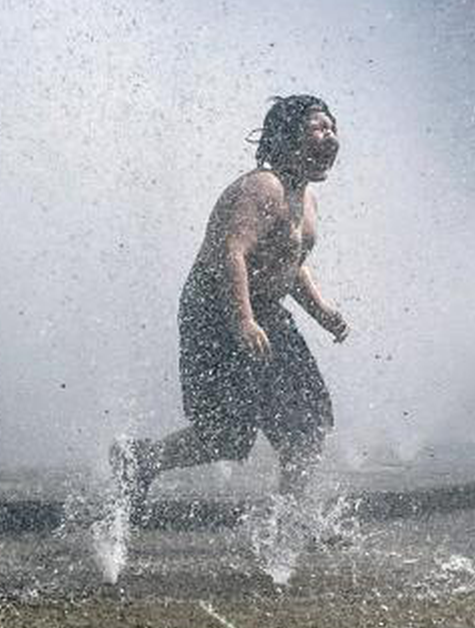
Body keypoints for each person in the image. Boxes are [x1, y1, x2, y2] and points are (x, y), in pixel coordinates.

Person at [112, 95, 348, 510]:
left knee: (306, 426)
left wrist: (321, 311)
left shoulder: (305, 197)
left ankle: (288, 521)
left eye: (332, 128)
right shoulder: (263, 186)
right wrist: (243, 319)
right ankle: (141, 460)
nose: (329, 137)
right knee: (225, 433)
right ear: (289, 138)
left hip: (265, 314)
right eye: (318, 129)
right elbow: (233, 252)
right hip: (217, 311)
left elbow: (290, 263)